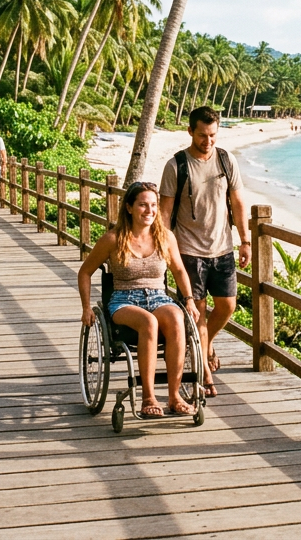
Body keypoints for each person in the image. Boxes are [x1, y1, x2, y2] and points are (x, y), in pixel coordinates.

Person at [79, 182, 202, 417]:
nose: (149, 210)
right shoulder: (113, 239)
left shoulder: (165, 237)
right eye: (143, 205)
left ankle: (175, 396)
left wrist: (188, 300)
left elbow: (178, 270)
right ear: (129, 208)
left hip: (158, 295)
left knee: (177, 318)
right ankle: (148, 397)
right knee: (148, 322)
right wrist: (86, 307)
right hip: (124, 299)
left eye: (153, 205)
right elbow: (85, 272)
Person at [159, 106, 250, 397]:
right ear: (190, 132)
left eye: (212, 135)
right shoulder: (176, 166)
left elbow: (237, 202)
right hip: (189, 250)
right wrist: (165, 250)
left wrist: (245, 240)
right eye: (202, 135)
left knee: (227, 306)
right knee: (197, 313)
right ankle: (205, 374)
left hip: (222, 248)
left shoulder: (226, 160)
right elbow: (165, 212)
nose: (207, 141)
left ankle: (204, 343)